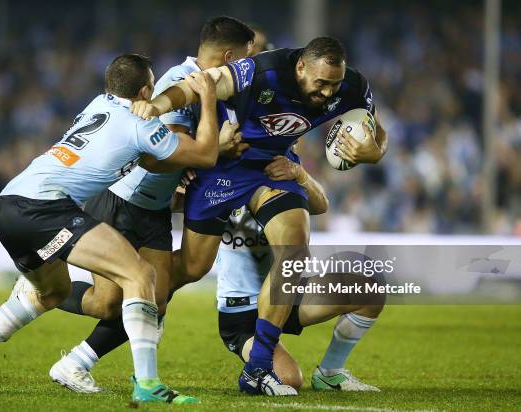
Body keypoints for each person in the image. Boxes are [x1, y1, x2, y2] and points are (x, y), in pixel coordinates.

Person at [0, 54, 220, 404]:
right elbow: (206, 155)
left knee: (53, 293)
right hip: (47, 207)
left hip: (9, 203)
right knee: (139, 275)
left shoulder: (97, 104)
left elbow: (144, 158)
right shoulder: (139, 125)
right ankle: (148, 384)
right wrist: (207, 98)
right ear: (147, 90)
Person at [131, 36, 389, 396]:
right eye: (321, 84)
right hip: (226, 169)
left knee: (296, 254)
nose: (330, 93)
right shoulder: (263, 71)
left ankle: (258, 368)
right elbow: (202, 85)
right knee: (191, 267)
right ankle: (125, 314)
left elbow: (376, 131)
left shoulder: (352, 87)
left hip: (273, 168)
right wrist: (156, 106)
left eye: (335, 84)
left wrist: (373, 152)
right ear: (300, 67)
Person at [39, 16, 254, 393]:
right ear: (230, 56)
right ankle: (39, 293)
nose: (247, 69)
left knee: (156, 297)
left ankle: (82, 364)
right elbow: (159, 156)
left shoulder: (214, 89)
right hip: (122, 199)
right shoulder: (178, 84)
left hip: (153, 208)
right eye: (246, 59)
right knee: (106, 304)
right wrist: (212, 151)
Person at [215, 157, 382, 392]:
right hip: (242, 312)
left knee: (367, 290)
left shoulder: (282, 176)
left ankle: (330, 372)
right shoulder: (223, 178)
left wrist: (299, 173)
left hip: (285, 294)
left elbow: (321, 204)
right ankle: (260, 361)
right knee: (289, 379)